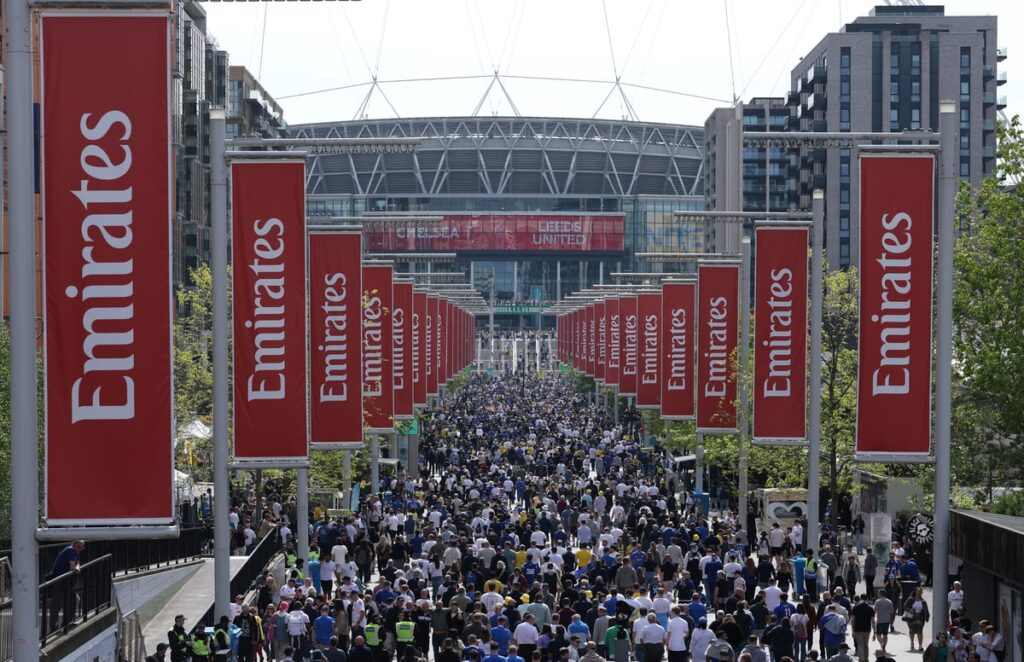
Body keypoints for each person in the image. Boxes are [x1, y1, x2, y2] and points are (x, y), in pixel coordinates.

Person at [46, 539, 85, 631]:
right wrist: (76, 569)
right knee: (57, 603)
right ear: (74, 544)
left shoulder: (75, 552)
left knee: (72, 600)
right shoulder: (70, 550)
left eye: (81, 548)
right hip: (59, 579)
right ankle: (54, 627)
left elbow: (77, 563)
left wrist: (77, 568)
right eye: (79, 547)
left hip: (67, 580)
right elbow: (72, 567)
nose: (80, 549)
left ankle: (67, 622)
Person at [902, 586, 929, 651]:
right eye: (918, 591)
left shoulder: (923, 601)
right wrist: (909, 609)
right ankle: (912, 643)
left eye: (920, 591)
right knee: (912, 631)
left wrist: (927, 617)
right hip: (911, 617)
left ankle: (920, 645)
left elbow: (926, 610)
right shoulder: (910, 599)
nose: (919, 592)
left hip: (920, 617)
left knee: (920, 631)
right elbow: (904, 606)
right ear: (915, 592)